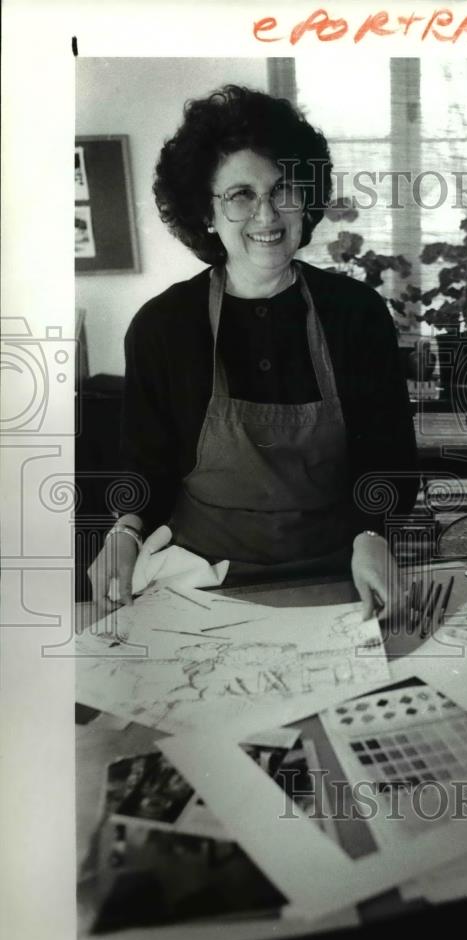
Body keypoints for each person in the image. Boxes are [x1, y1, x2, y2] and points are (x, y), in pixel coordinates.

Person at [88, 85, 417, 620]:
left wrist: (373, 533)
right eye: (241, 195)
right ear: (207, 214)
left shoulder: (355, 313)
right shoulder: (163, 326)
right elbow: (144, 465)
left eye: (283, 190)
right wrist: (124, 531)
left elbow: (389, 458)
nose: (266, 216)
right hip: (200, 581)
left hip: (337, 573)